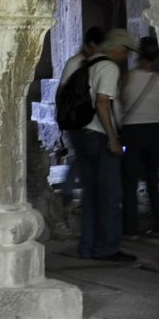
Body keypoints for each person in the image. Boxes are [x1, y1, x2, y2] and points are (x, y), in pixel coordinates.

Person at [77, 28, 136, 263]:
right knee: (111, 195)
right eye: (127, 52)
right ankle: (107, 247)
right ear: (120, 49)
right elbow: (102, 102)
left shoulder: (88, 63)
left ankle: (87, 246)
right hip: (101, 136)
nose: (127, 57)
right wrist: (113, 137)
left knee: (91, 195)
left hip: (84, 134)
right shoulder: (109, 67)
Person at [119, 35, 159, 235]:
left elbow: (119, 101)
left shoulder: (128, 77)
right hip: (156, 129)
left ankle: (131, 228)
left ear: (139, 56)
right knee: (152, 179)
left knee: (130, 180)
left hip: (132, 130)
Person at [55, 27, 105, 203]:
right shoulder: (75, 63)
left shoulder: (98, 64)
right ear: (91, 45)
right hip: (76, 118)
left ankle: (75, 191)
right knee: (83, 156)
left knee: (83, 156)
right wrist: (62, 115)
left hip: (90, 119)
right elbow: (61, 90)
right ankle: (76, 192)